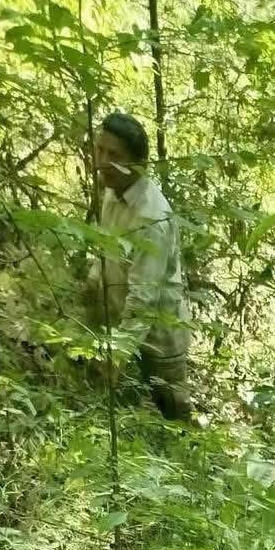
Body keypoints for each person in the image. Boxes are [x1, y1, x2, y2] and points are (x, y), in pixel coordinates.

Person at [85, 113, 192, 420]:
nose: (102, 162)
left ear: (138, 164)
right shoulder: (112, 191)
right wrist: (94, 281)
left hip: (159, 339)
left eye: (114, 155)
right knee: (132, 420)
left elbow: (144, 300)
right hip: (123, 328)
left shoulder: (151, 217)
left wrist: (116, 356)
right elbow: (106, 245)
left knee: (172, 417)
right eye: (100, 150)